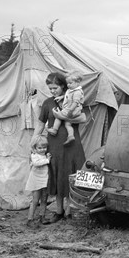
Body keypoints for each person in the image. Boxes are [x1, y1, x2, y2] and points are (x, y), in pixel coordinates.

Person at [32, 72, 86, 224]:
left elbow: (83, 118)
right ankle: (59, 211)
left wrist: (63, 116)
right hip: (54, 145)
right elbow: (41, 124)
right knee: (56, 176)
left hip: (72, 146)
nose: (53, 91)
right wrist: (34, 140)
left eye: (55, 87)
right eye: (50, 88)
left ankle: (70, 211)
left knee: (70, 175)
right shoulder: (48, 103)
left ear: (63, 85)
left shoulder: (73, 99)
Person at [48, 71, 85, 146]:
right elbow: (68, 96)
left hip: (72, 110)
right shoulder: (70, 90)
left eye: (70, 83)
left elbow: (75, 102)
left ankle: (54, 130)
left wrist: (69, 112)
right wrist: (62, 97)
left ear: (78, 82)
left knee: (58, 116)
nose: (68, 85)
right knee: (68, 124)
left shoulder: (77, 92)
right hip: (72, 110)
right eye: (67, 83)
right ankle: (71, 136)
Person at [24, 136, 51, 228]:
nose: (42, 149)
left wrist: (46, 158)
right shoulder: (34, 156)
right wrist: (47, 160)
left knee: (44, 199)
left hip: (44, 180)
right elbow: (36, 163)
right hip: (36, 181)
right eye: (39, 148)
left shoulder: (45, 155)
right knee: (35, 200)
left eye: (44, 147)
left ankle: (42, 216)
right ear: (34, 148)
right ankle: (30, 219)